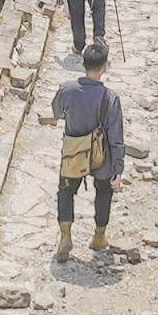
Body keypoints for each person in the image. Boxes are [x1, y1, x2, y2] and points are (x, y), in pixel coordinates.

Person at [55, 41, 124, 261]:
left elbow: (56, 112)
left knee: (66, 191)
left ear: (82, 64)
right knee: (104, 192)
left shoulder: (67, 89)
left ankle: (65, 236)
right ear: (104, 67)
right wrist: (118, 167)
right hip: (100, 155)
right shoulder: (110, 97)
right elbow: (116, 137)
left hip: (74, 151)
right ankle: (98, 236)